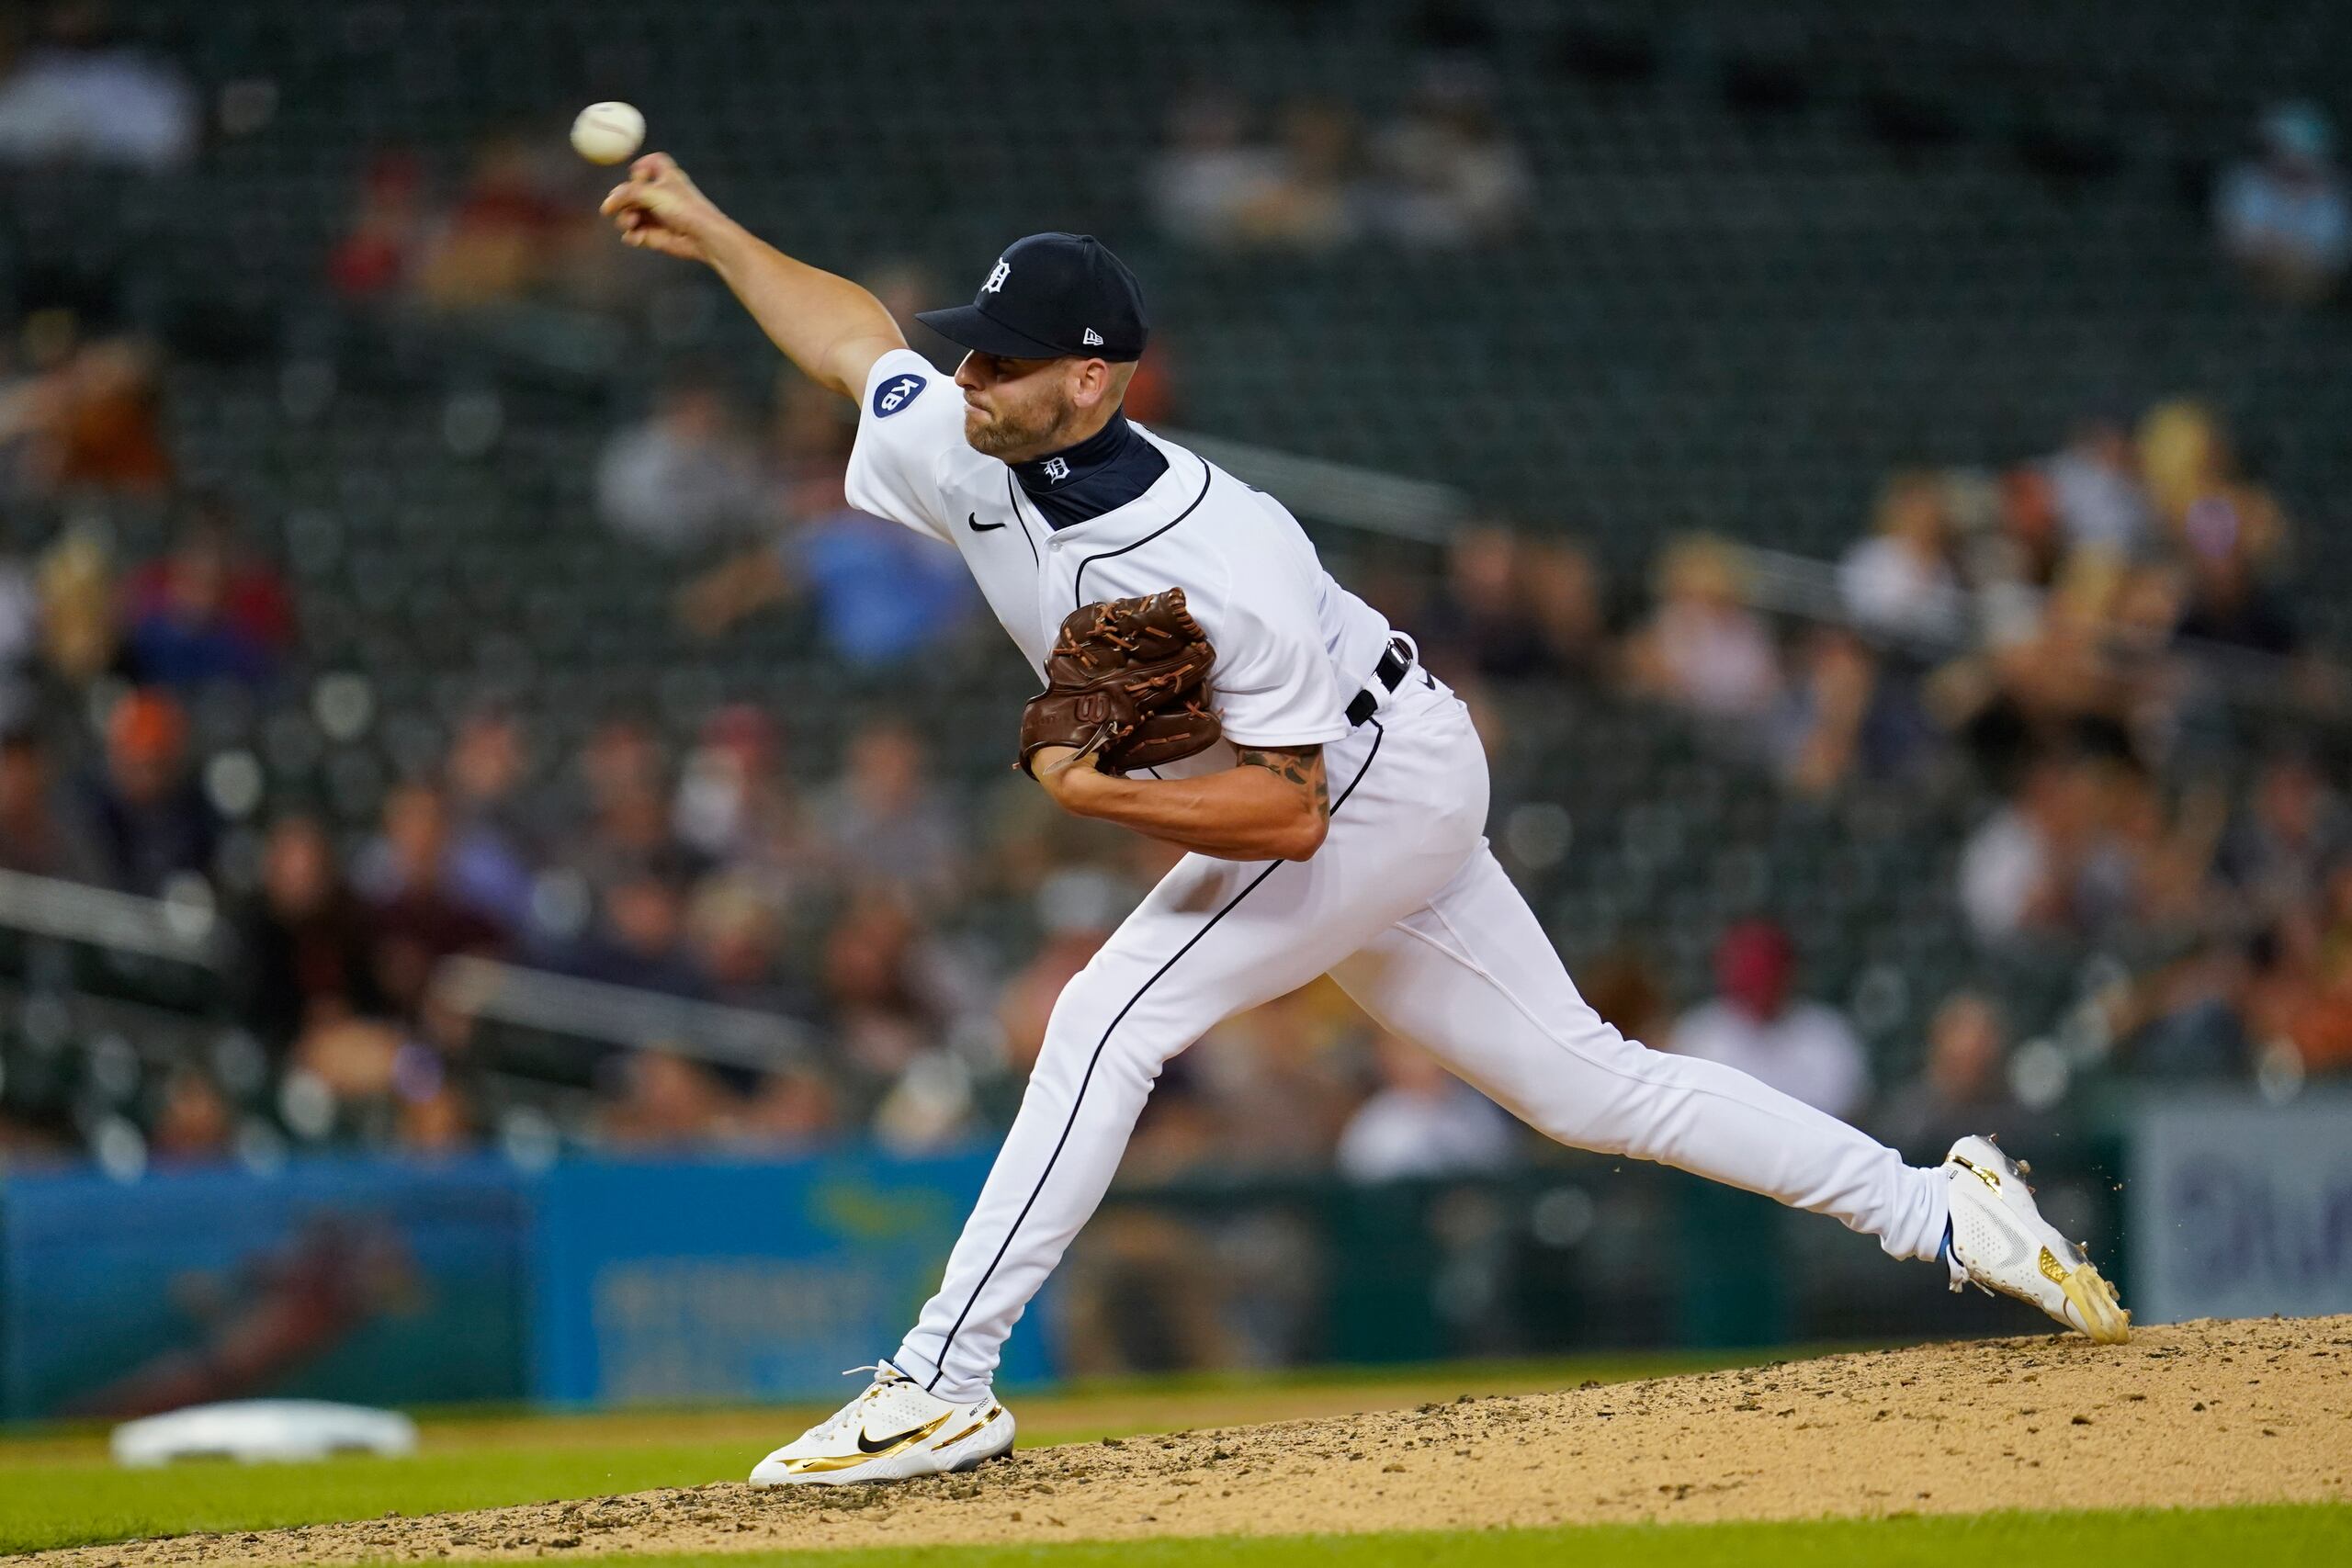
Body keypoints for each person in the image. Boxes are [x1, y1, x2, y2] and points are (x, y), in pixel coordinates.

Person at [597, 154, 2130, 1486]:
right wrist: (719, 231)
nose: (969, 378)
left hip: (1368, 781)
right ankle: (1940, 1208)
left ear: (1095, 379)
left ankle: (939, 1380)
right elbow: (856, 343)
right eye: (973, 357)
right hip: (1375, 764)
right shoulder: (973, 443)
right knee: (1589, 1088)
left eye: (1001, 362)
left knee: (1106, 1015)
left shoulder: (1221, 550)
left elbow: (1290, 813)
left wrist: (1106, 792)